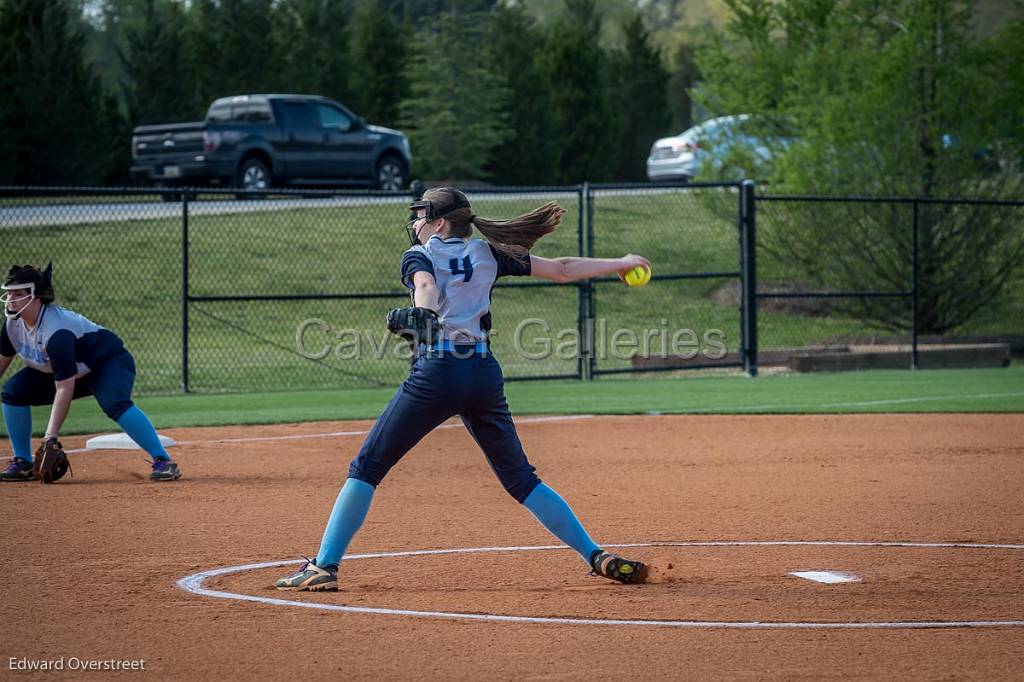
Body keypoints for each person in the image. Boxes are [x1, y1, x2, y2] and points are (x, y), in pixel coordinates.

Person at [276, 188, 651, 591]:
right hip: (483, 372)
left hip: (438, 370)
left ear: (439, 222)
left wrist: (424, 312)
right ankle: (596, 555)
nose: (416, 222)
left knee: (367, 468)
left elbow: (426, 287)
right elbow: (561, 268)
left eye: (422, 215)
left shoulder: (422, 255)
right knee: (522, 480)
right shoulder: (489, 253)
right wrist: (622, 262)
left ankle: (324, 566)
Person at [0, 264, 182, 482]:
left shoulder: (56, 331)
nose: (11, 299)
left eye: (18, 294)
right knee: (13, 391)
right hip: (68, 370)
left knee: (114, 403)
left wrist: (51, 437)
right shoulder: (12, 326)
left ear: (36, 296)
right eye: (9, 293)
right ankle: (23, 462)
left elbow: (64, 388)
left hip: (107, 363)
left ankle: (163, 460)